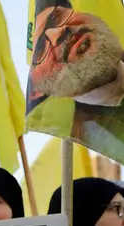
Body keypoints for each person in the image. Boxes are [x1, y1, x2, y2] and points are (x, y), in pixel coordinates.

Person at [28, 0, 124, 152]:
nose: (59, 31)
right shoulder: (85, 129)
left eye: (57, 17)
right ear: (36, 92)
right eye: (41, 48)